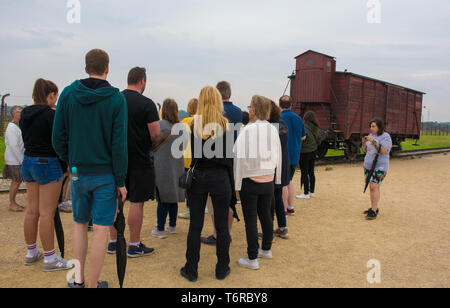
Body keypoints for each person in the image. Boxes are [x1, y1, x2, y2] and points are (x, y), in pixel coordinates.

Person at [53, 49, 128, 288]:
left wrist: (71, 159)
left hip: (77, 171)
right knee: (101, 230)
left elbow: (57, 137)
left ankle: (79, 280)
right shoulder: (116, 99)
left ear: (86, 68)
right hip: (105, 174)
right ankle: (94, 284)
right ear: (108, 68)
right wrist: (121, 180)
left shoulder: (67, 94)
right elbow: (119, 145)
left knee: (79, 225)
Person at [181, 86, 238, 282]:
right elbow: (229, 157)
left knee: (195, 226)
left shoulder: (192, 124)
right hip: (220, 176)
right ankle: (222, 268)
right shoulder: (226, 125)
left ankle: (191, 269)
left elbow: (190, 154)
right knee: (222, 226)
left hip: (199, 176)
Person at [20, 79, 72, 272]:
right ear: (50, 95)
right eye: (55, 96)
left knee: (32, 211)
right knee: (47, 213)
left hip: (28, 161)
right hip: (48, 163)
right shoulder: (53, 115)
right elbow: (60, 140)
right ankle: (50, 258)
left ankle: (31, 252)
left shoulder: (25, 113)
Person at [108, 67, 160, 258]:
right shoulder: (146, 104)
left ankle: (113, 242)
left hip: (115, 159)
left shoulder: (115, 100)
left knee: (114, 201)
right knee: (137, 202)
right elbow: (155, 134)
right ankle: (134, 244)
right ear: (143, 81)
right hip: (139, 159)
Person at [234, 95, 282, 270]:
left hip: (250, 180)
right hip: (268, 178)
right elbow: (279, 155)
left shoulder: (247, 130)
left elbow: (238, 157)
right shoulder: (273, 129)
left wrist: (237, 185)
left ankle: (252, 257)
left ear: (253, 110)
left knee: (251, 220)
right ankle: (266, 248)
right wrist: (276, 177)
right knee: (266, 215)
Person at [201, 81, 242, 245]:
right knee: (229, 198)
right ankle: (227, 233)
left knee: (213, 201)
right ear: (230, 94)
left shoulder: (215, 112)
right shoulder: (238, 112)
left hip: (216, 160)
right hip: (233, 158)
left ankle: (217, 234)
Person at [151, 99, 188, 238]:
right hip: (177, 165)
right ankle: (172, 225)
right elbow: (184, 146)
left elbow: (152, 143)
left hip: (162, 165)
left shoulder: (160, 125)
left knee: (162, 197)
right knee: (173, 196)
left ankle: (160, 228)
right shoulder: (182, 127)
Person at [280, 96, 306, 216]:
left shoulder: (278, 118)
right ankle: (290, 207)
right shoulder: (298, 118)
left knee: (282, 183)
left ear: (280, 105)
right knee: (289, 180)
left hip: (282, 155)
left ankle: (283, 209)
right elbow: (303, 136)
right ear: (291, 105)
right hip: (295, 154)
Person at [362, 118, 392, 220]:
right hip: (368, 166)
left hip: (380, 166)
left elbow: (383, 150)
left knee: (374, 186)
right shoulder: (370, 136)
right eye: (370, 126)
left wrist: (373, 141)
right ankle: (374, 207)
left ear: (379, 127)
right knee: (372, 187)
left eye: (374, 126)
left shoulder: (386, 137)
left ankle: (373, 210)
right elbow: (365, 150)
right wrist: (363, 142)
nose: (371, 128)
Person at [269, 101, 290, 239]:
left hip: (272, 167)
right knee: (277, 199)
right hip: (281, 166)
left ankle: (268, 230)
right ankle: (282, 228)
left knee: (269, 200)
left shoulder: (270, 127)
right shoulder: (282, 124)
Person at [179, 98, 198, 220]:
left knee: (188, 184)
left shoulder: (185, 122)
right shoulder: (203, 122)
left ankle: (189, 209)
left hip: (187, 157)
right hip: (199, 156)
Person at [297, 111, 324, 200]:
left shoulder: (304, 127)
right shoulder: (317, 128)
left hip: (304, 152)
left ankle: (305, 193)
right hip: (313, 151)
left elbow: (301, 139)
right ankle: (312, 192)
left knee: (304, 172)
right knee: (311, 171)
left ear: (305, 118)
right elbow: (320, 140)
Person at [4, 106, 25, 212]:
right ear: (14, 114)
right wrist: (21, 160)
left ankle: (13, 202)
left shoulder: (17, 126)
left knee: (17, 181)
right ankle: (12, 203)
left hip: (17, 158)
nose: (22, 113)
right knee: (16, 181)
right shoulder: (12, 128)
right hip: (14, 159)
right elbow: (14, 146)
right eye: (20, 112)